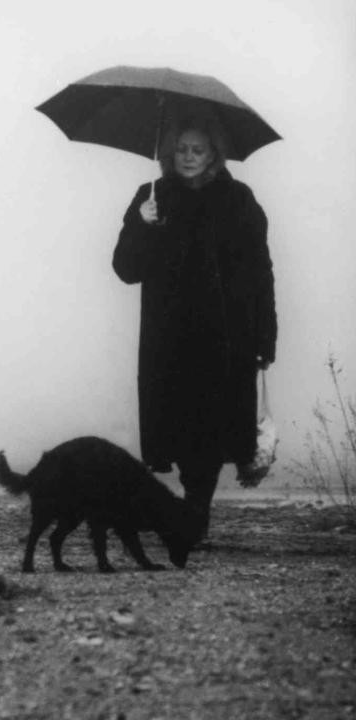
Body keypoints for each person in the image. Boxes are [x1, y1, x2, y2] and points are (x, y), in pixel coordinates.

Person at [111, 115, 277, 544]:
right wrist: (141, 224)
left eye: (197, 149)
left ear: (213, 154)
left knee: (212, 427)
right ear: (170, 152)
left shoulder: (239, 200)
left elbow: (261, 271)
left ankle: (196, 509)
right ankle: (193, 507)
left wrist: (265, 336)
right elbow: (126, 269)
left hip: (227, 335)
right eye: (181, 149)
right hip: (169, 336)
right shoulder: (152, 197)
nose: (188, 157)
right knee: (179, 424)